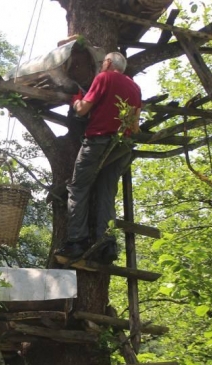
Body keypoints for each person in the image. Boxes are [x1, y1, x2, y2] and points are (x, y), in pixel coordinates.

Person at [56, 52, 142, 262]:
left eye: (103, 62)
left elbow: (84, 110)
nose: (101, 65)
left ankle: (77, 241)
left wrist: (76, 100)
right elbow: (134, 126)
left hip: (98, 141)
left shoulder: (104, 78)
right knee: (106, 192)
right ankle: (107, 245)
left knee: (78, 188)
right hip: (122, 145)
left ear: (109, 63)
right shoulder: (134, 86)